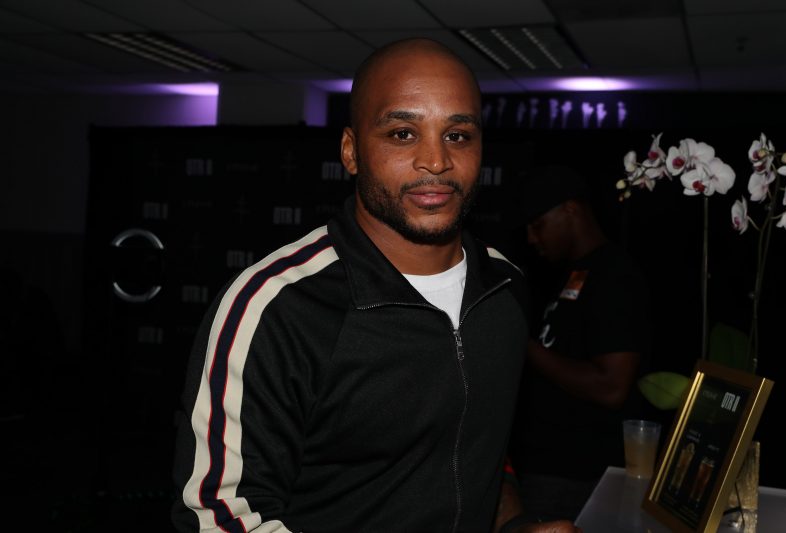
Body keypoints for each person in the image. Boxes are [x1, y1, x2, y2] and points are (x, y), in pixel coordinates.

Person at [172, 39, 579, 533]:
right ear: (351, 151)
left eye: (458, 135)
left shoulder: (505, 287)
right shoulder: (275, 307)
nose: (436, 161)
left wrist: (514, 526)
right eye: (403, 133)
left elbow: (480, 451)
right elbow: (219, 520)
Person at [508, 165, 651, 522]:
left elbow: (612, 386)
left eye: (538, 225)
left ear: (570, 210)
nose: (531, 238)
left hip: (575, 478)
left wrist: (522, 343)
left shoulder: (614, 275)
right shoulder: (572, 273)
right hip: (548, 468)